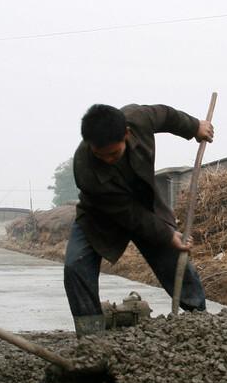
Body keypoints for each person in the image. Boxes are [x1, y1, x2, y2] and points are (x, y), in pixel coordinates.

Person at [65, 103, 213, 335]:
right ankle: (90, 336)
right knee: (75, 266)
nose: (107, 160)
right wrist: (166, 234)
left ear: (126, 133)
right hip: (99, 217)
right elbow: (128, 214)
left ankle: (200, 321)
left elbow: (166, 116)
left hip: (146, 205)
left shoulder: (138, 118)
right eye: (99, 155)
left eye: (114, 153)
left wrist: (194, 127)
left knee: (174, 258)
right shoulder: (84, 168)